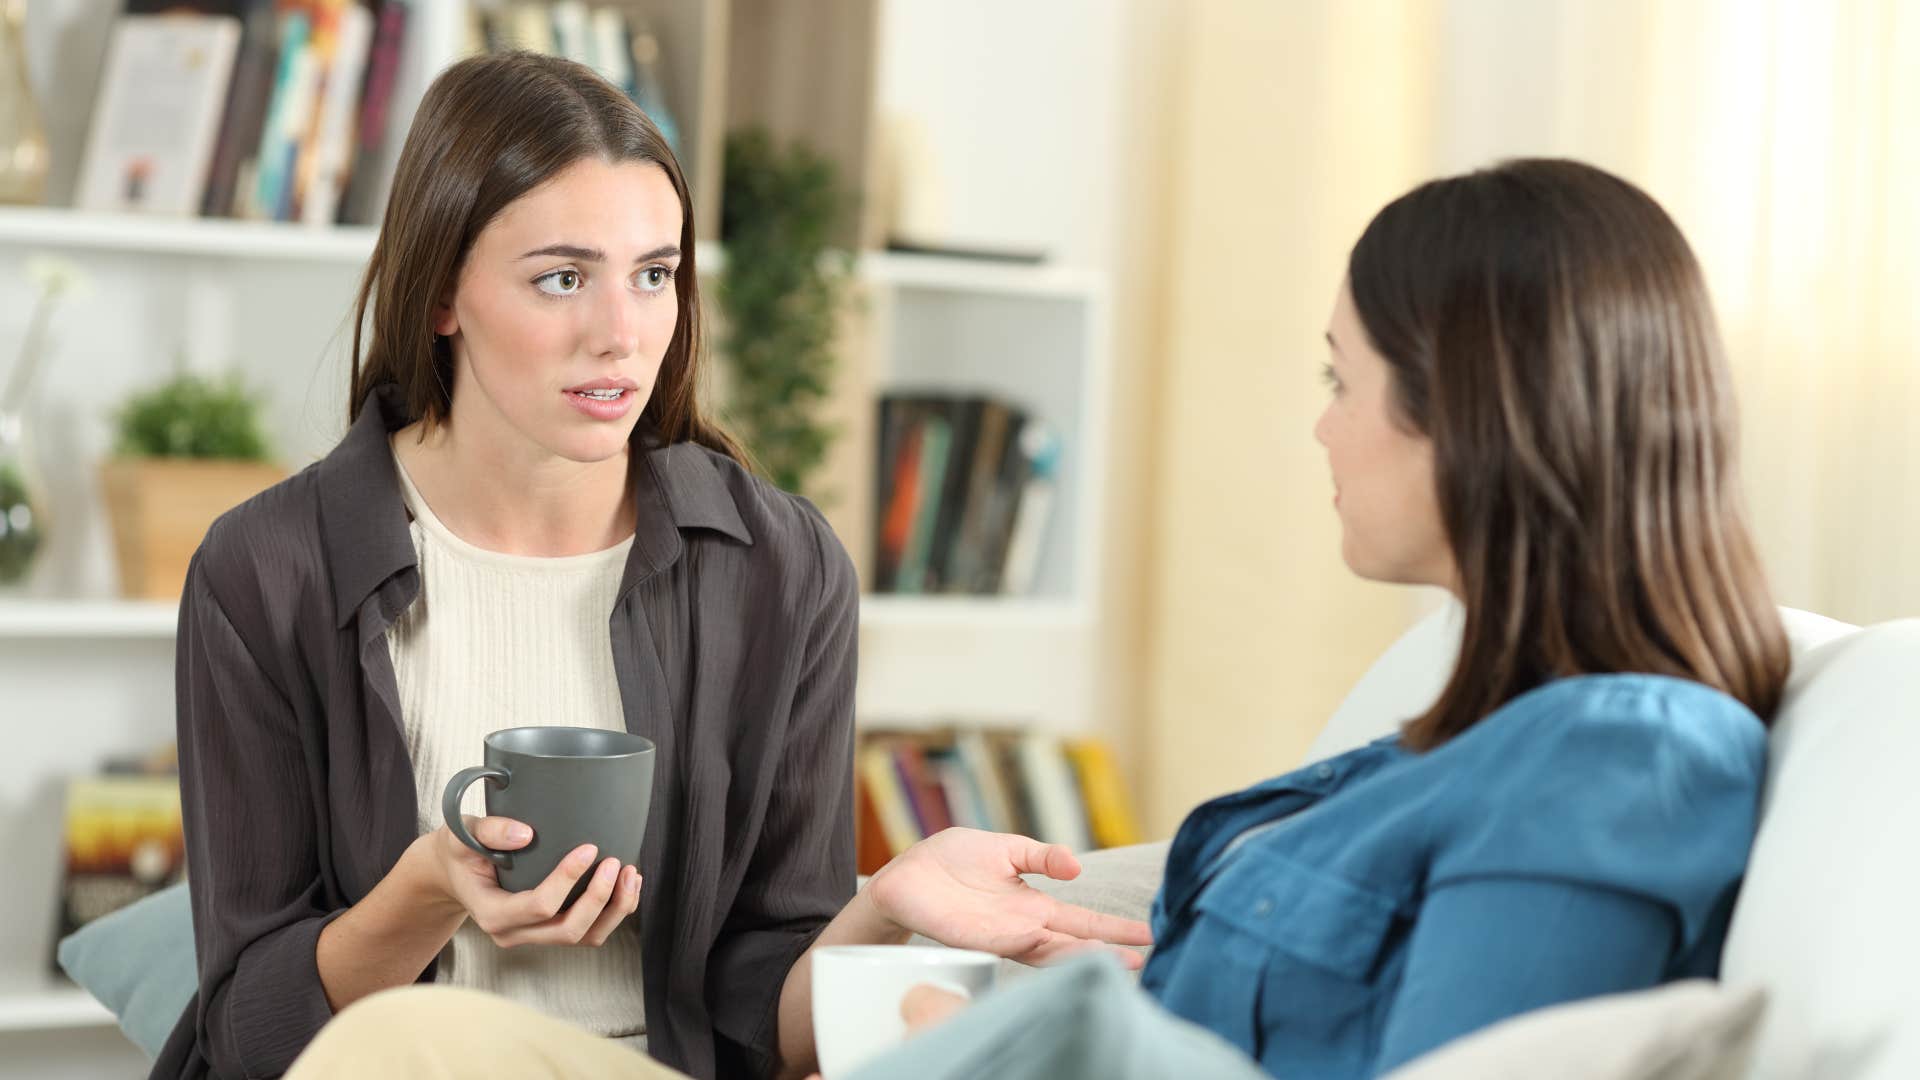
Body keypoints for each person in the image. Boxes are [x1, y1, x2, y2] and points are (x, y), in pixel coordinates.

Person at [277, 117, 1793, 1080]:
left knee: (407, 1052)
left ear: (1476, 415)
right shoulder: (1443, 742)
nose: (1322, 427)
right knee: (406, 1040)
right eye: (563, 277)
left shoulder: (1617, 763)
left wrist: (985, 1035)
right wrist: (929, 935)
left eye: (1345, 382)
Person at [158, 51, 1148, 1080]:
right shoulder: (269, 568)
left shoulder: (778, 566)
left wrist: (884, 904)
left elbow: (767, 1018)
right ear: (443, 292)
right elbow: (250, 1036)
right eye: (562, 278)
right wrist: (429, 890)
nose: (622, 335)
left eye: (655, 274)